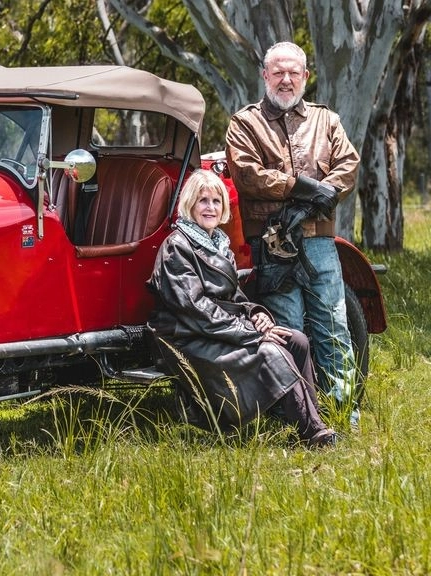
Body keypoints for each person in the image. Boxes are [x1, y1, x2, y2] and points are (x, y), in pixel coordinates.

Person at [147, 169, 335, 446]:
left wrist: (255, 314)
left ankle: (310, 417)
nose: (210, 207)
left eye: (216, 201)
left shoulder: (218, 244)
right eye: (202, 201)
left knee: (296, 340)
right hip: (187, 336)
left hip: (217, 327)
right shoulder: (178, 247)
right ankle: (311, 433)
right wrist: (253, 335)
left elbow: (234, 298)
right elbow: (195, 309)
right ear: (190, 204)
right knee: (271, 351)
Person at [224, 41, 360, 420]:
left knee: (333, 325)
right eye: (278, 72)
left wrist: (326, 190)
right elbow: (247, 174)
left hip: (318, 241)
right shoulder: (244, 122)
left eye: (293, 72)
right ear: (265, 76)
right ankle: (299, 417)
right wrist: (303, 188)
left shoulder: (326, 120)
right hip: (272, 243)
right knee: (287, 330)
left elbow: (348, 163)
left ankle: (344, 411)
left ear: (305, 76)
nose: (286, 80)